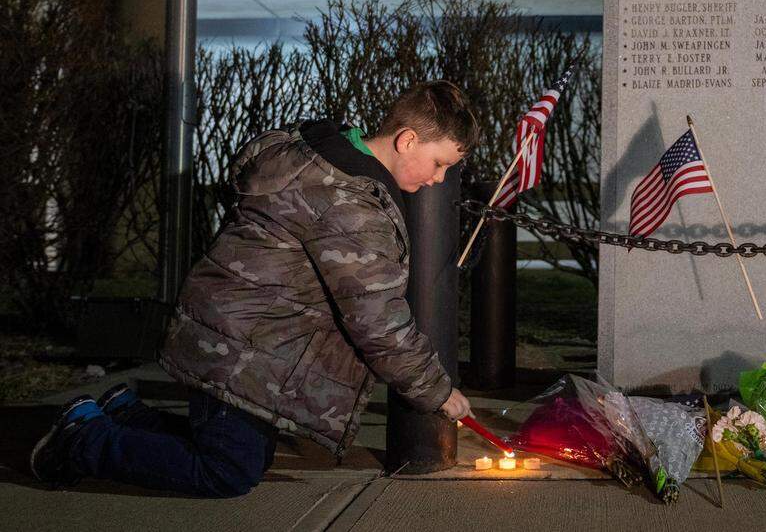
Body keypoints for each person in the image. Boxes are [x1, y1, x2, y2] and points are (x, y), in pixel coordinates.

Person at [31, 81, 479, 497]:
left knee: (247, 455)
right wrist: (436, 391)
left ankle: (125, 414)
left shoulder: (323, 159)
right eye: (439, 163)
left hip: (241, 333)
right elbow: (378, 321)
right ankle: (81, 439)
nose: (438, 179)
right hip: (245, 349)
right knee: (227, 471)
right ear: (407, 140)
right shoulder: (351, 208)